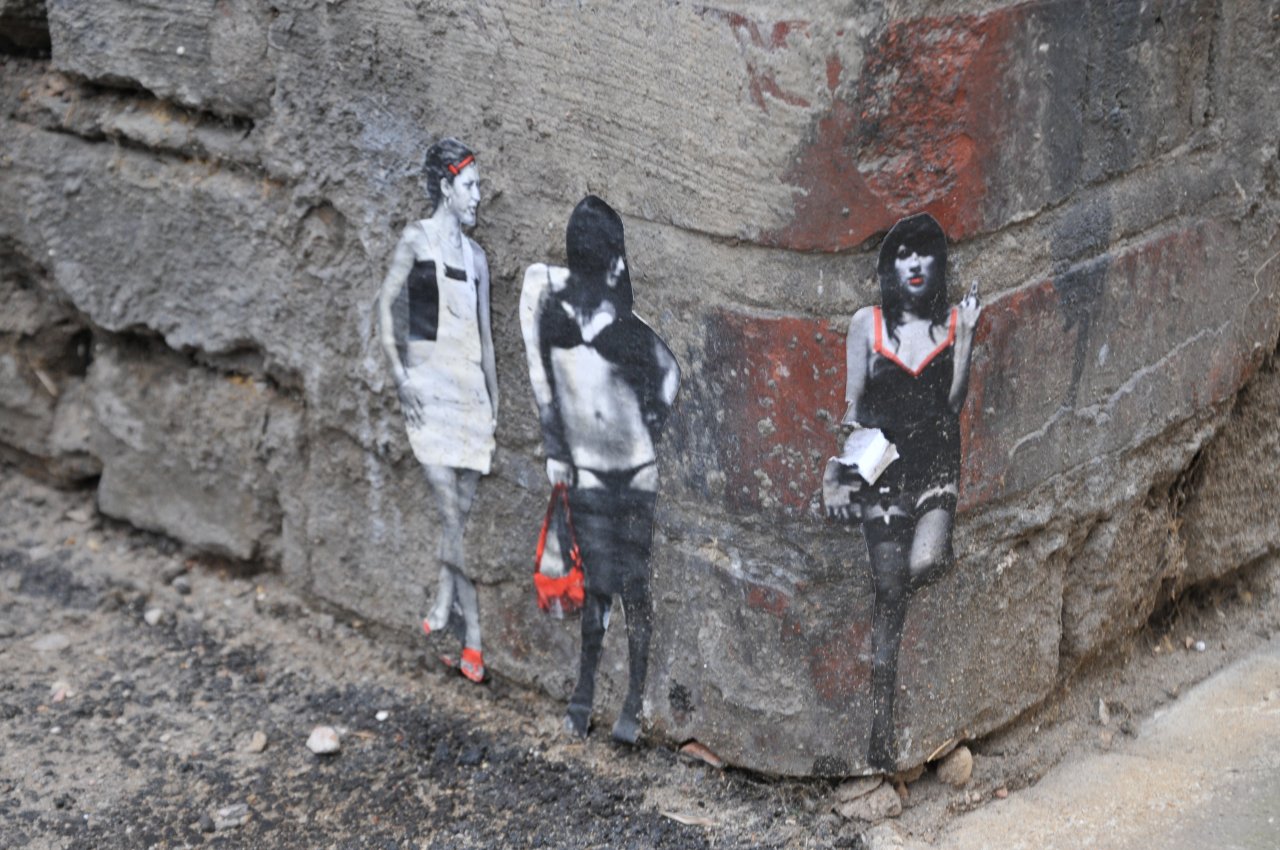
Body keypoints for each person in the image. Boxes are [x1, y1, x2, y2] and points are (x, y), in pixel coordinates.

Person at [519, 196, 680, 743]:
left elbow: (669, 375)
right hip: (587, 471)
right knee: (595, 590)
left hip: (634, 472)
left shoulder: (629, 325)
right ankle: (584, 694)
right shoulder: (553, 311)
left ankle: (633, 701)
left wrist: (649, 423)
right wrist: (558, 447)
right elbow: (547, 386)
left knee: (634, 587)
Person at [836, 213, 981, 770]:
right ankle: (881, 727)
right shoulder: (867, 325)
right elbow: (853, 407)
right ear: (889, 266)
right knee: (889, 592)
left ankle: (890, 634)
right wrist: (845, 467)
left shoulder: (953, 324)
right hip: (885, 469)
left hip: (936, 463)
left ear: (938, 262)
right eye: (903, 253)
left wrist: (966, 338)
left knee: (927, 560)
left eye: (925, 253)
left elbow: (953, 404)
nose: (915, 264)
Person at [377, 138, 498, 684]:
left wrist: (494, 407)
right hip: (428, 396)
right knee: (452, 517)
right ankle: (473, 637)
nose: (478, 196)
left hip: (470, 400)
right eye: (470, 185)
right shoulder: (417, 240)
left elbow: (486, 341)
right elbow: (386, 306)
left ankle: (444, 599)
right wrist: (400, 377)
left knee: (459, 519)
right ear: (447, 188)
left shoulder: (477, 260)